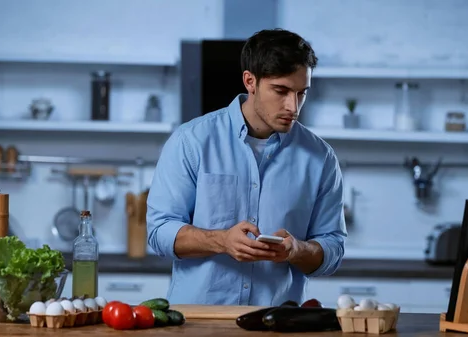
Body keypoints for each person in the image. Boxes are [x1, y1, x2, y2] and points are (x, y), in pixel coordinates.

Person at [146, 28, 347, 306]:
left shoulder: (320, 157)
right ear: (250, 81)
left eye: (302, 93)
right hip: (199, 322)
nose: (293, 106)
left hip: (278, 323)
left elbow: (333, 248)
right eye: (281, 90)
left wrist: (297, 250)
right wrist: (221, 241)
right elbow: (159, 233)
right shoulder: (190, 141)